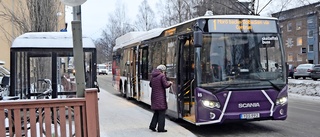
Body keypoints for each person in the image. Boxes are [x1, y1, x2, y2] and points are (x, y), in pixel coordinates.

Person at [149, 64, 172, 133]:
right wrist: (170, 83)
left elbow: (150, 85)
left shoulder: (153, 76)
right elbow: (165, 85)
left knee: (156, 112)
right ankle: (161, 128)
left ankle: (152, 126)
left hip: (154, 97)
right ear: (162, 70)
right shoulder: (162, 76)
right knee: (162, 113)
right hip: (160, 97)